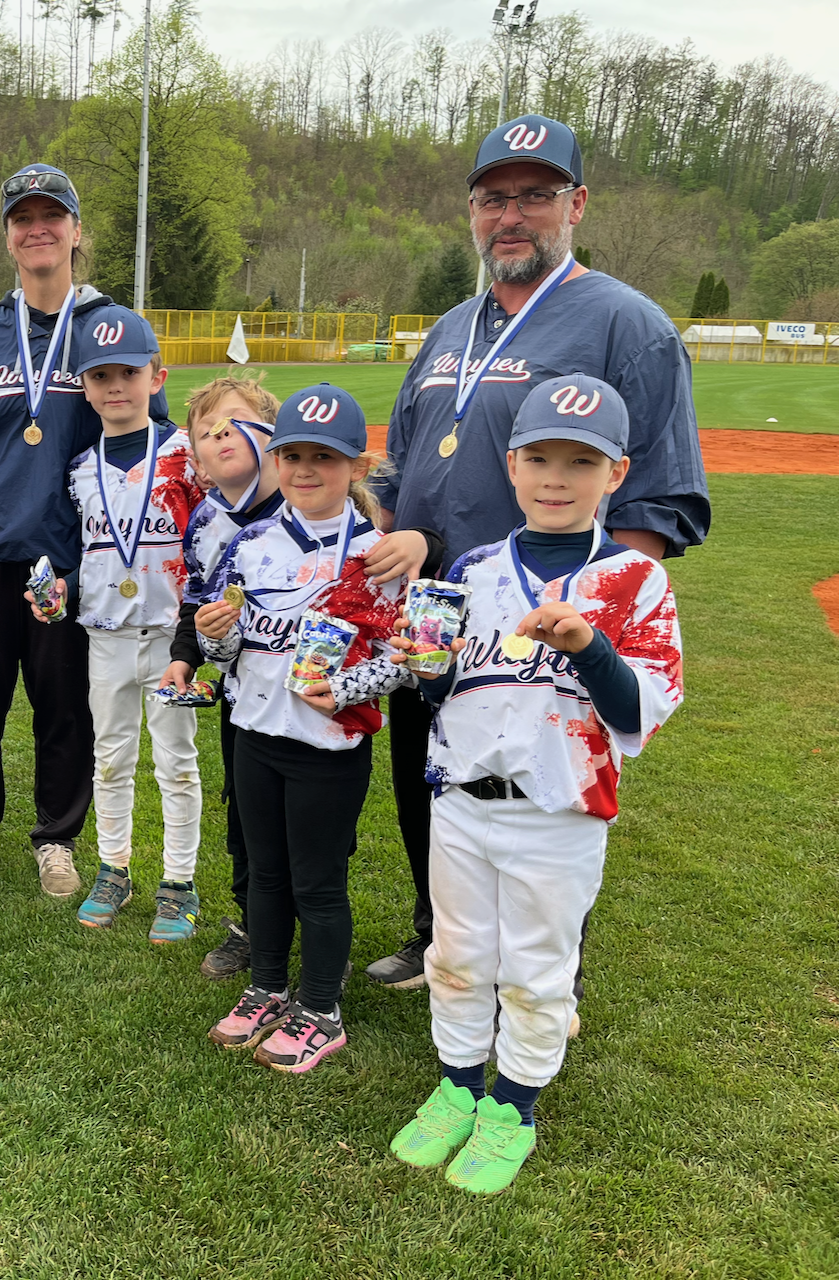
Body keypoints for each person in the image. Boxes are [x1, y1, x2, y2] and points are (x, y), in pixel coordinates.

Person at [367, 113, 709, 991]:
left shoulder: (627, 324)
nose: (510, 215)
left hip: (547, 618)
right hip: (438, 611)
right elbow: (402, 461)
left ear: (576, 204)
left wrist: (596, 620)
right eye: (492, 199)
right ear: (472, 212)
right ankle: (439, 932)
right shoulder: (450, 329)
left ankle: (547, 973)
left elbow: (657, 492)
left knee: (545, 790)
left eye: (534, 195)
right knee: (434, 777)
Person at [387, 374, 683, 1193]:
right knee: (455, 956)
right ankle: (458, 1087)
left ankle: (512, 1107)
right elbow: (446, 692)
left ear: (616, 473)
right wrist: (428, 669)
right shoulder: (474, 568)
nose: (557, 479)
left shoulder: (635, 578)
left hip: (559, 811)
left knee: (535, 972)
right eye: (541, 459)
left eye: (580, 462)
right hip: (461, 802)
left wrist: (589, 645)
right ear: (512, 465)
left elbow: (640, 710)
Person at [0, 164, 174, 898]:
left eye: (51, 216)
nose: (38, 229)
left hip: (69, 558)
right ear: (8, 237)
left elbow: (155, 445)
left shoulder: (107, 329)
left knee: (65, 708)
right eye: (22, 218)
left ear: (75, 231)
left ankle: (56, 839)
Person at [198, 385, 442, 1074]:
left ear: (357, 467)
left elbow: (407, 660)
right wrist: (213, 636)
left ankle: (322, 1009)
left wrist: (344, 691)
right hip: (255, 736)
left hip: (329, 749)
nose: (306, 470)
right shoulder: (251, 544)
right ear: (275, 461)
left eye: (324, 458)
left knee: (318, 882)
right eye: (293, 456)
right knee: (266, 876)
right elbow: (232, 650)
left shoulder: (379, 555)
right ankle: (268, 987)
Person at [26, 305, 204, 940]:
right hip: (105, 634)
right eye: (100, 376)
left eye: (129, 372)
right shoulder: (79, 466)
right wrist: (60, 589)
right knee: (110, 758)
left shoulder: (187, 456)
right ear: (84, 386)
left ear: (157, 377)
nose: (116, 387)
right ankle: (114, 868)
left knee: (176, 762)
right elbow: (85, 556)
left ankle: (179, 882)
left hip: (170, 638)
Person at [162, 375, 282, 977]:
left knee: (311, 825)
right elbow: (196, 601)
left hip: (315, 698)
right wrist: (184, 657)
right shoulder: (206, 519)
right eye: (207, 432)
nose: (221, 436)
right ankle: (252, 922)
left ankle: (317, 933)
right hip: (243, 694)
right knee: (245, 814)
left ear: (272, 435)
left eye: (235, 423)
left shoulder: (310, 506)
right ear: (198, 460)